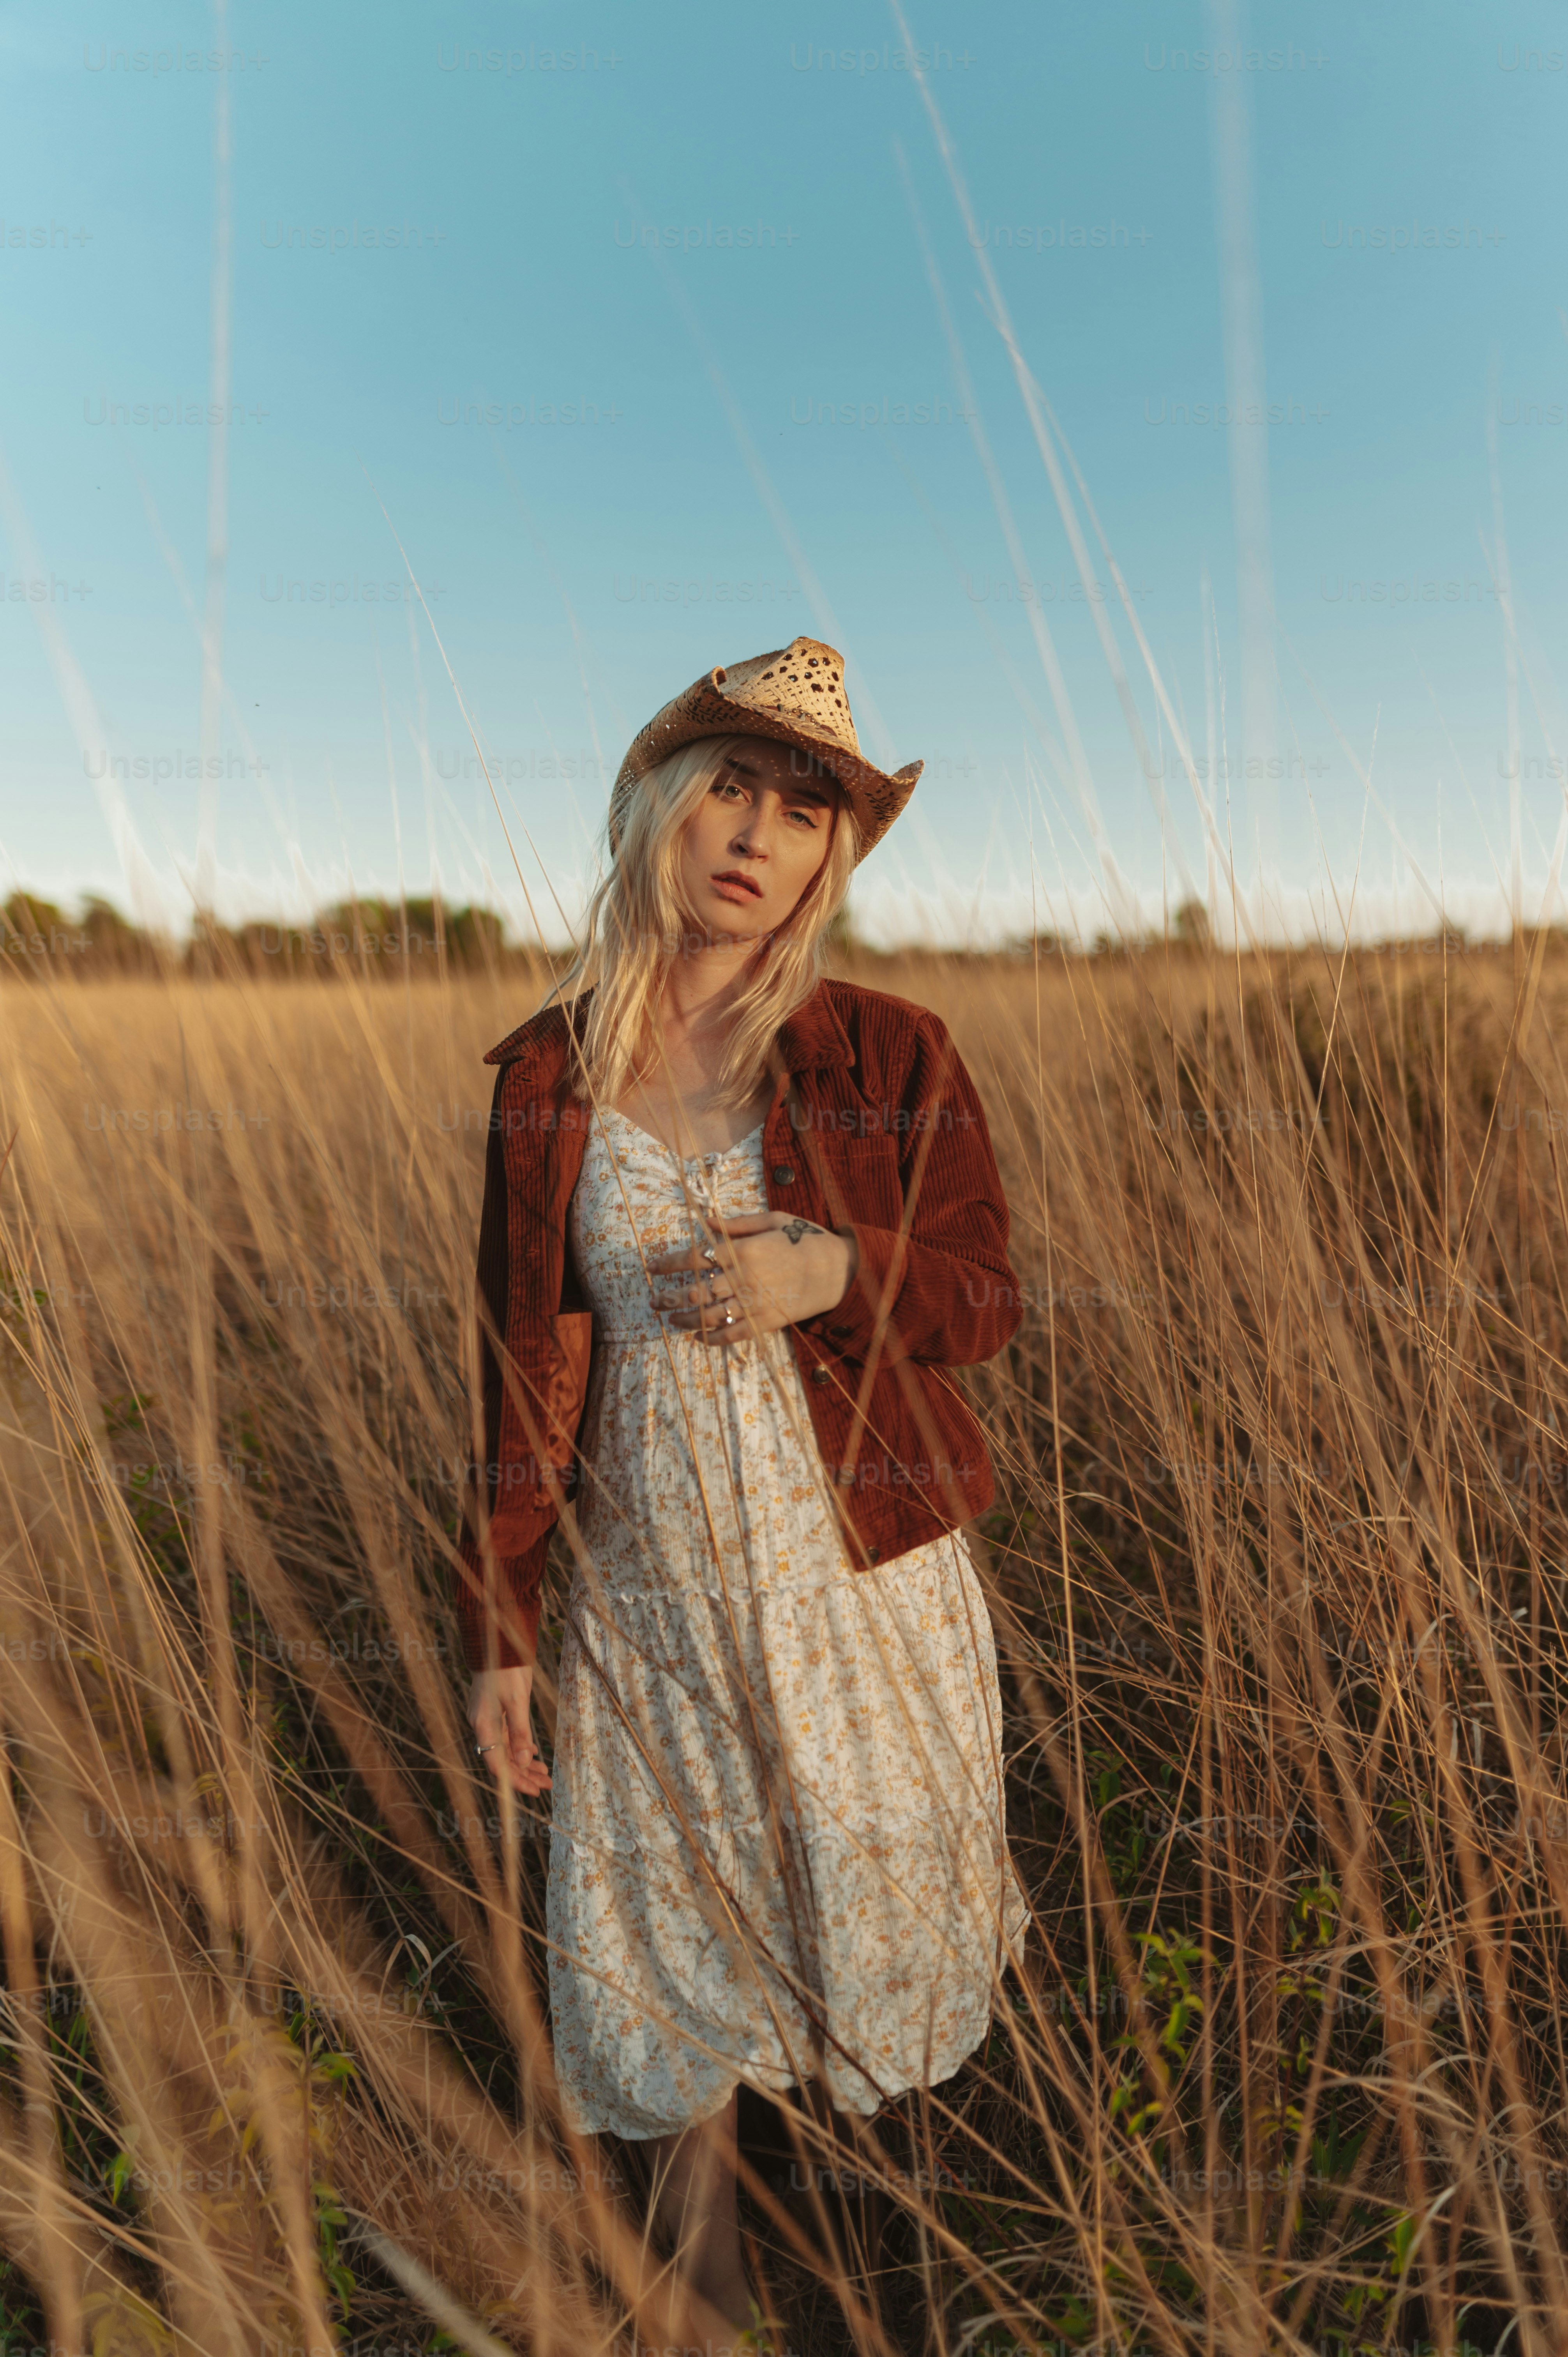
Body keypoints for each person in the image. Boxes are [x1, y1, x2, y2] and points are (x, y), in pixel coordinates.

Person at [457, 636, 1029, 2338]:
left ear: (829, 858)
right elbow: (516, 1374)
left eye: (801, 812)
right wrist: (501, 1622)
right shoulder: (548, 1081)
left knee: (867, 1907)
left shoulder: (888, 1048)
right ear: (653, 809)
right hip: (647, 1589)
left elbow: (986, 1299)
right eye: (727, 787)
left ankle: (897, 2262)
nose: (756, 833)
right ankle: (702, 2298)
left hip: (857, 1582)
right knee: (670, 1937)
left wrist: (837, 1271)